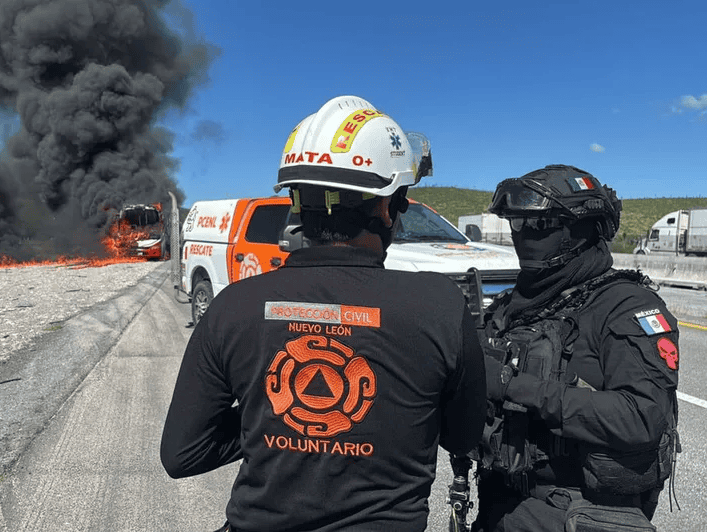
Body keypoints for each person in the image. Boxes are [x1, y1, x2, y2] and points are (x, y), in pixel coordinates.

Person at [160, 95, 487, 532]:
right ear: (387, 206)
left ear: (298, 203)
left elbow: (183, 454)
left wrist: (275, 412)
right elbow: (463, 438)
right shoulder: (439, 306)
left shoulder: (234, 306)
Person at [472, 165, 681, 532]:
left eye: (538, 225)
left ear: (583, 231)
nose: (523, 235)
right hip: (499, 504)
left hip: (580, 513)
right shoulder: (511, 306)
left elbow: (641, 416)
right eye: (516, 224)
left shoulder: (624, 306)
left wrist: (512, 386)